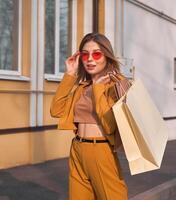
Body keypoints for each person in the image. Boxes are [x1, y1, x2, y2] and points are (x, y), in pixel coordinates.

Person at [50, 32, 128, 200]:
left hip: (101, 150)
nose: (90, 59)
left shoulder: (117, 85)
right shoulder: (82, 87)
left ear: (107, 56)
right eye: (85, 54)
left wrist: (99, 90)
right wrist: (70, 75)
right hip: (77, 149)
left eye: (97, 54)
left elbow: (110, 126)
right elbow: (56, 110)